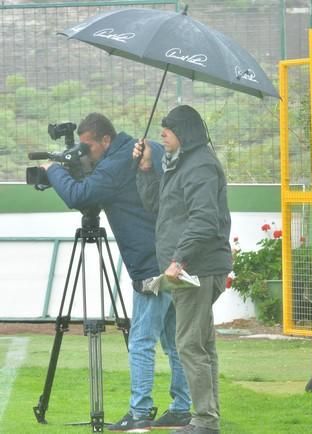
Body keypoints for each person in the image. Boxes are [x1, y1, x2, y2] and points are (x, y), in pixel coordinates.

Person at [41, 113, 192, 431]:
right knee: (173, 341)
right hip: (169, 256)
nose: (85, 153)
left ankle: (139, 413)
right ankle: (181, 408)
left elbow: (78, 196)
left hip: (150, 263)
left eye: (88, 147)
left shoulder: (117, 162)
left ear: (105, 140)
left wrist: (53, 170)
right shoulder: (137, 149)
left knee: (141, 341)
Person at [133, 105, 231, 434]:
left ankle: (204, 421)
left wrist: (179, 259)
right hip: (194, 267)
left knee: (189, 344)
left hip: (197, 269)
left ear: (184, 132)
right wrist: (146, 169)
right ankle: (208, 417)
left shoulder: (200, 166)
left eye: (168, 128)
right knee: (202, 344)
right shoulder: (182, 164)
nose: (162, 133)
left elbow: (204, 220)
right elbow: (158, 208)